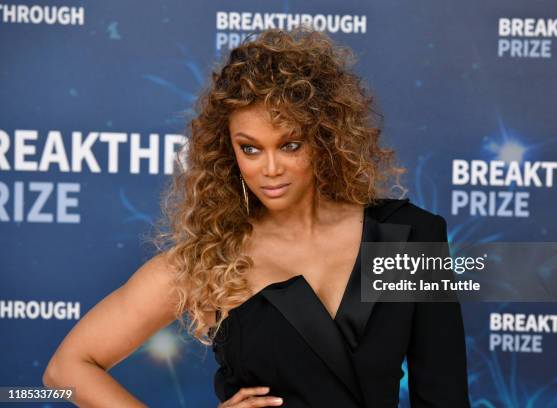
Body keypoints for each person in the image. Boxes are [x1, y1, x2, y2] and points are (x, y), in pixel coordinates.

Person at [43, 28, 470, 407]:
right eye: (250, 148)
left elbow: (444, 396)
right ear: (228, 150)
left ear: (324, 139)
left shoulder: (408, 239)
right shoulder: (212, 259)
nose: (269, 169)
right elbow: (66, 370)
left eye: (289, 145)